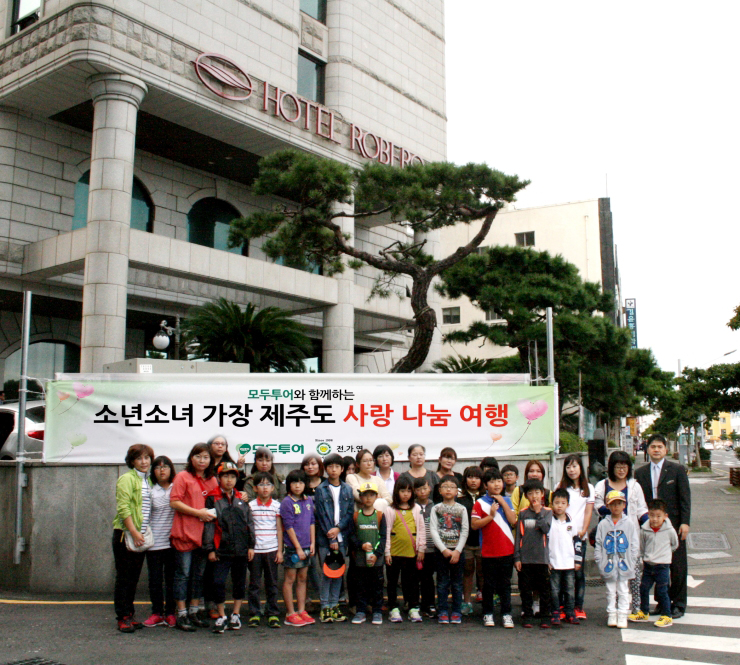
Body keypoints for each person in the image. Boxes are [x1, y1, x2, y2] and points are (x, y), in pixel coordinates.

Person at [635, 434, 691, 619]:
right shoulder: (640, 473)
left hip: (673, 526)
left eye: (660, 447)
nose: (656, 450)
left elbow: (685, 498)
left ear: (665, 450)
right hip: (651, 528)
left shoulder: (677, 470)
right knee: (657, 566)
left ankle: (679, 604)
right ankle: (662, 603)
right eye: (653, 447)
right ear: (647, 449)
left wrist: (685, 522)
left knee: (678, 566)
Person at [170, 443, 218, 631]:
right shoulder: (183, 477)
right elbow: (174, 502)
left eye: (206, 457)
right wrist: (198, 513)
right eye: (198, 456)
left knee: (199, 575)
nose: (202, 460)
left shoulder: (212, 480)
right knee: (183, 575)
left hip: (204, 536)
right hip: (184, 533)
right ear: (191, 458)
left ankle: (194, 611)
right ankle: (181, 614)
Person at [202, 461, 255, 634]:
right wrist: (210, 548)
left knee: (239, 582)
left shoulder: (242, 498)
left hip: (241, 549)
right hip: (221, 550)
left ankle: (236, 614)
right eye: (225, 476)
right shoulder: (212, 498)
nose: (229, 480)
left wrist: (251, 545)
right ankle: (221, 615)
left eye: (232, 476)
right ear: (219, 478)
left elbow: (249, 522)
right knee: (218, 582)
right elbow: (209, 525)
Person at [595, 451, 649, 615]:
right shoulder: (602, 485)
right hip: (610, 537)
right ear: (611, 467)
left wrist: (651, 524)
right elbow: (597, 507)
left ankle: (636, 608)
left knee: (634, 573)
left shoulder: (634, 486)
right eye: (618, 466)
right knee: (613, 577)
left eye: (624, 467)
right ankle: (616, 609)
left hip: (630, 536)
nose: (621, 470)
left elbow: (641, 509)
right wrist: (613, 511)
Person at [112, 443, 154, 633]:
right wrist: (135, 532)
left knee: (133, 578)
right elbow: (123, 508)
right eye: (139, 458)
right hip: (126, 535)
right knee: (124, 577)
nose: (144, 462)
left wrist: (141, 533)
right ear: (132, 461)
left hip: (140, 535)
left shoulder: (148, 480)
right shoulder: (126, 479)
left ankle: (130, 614)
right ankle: (122, 617)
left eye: (147, 458)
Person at [471, 468, 517, 628]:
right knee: (488, 585)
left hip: (507, 549)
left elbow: (513, 520)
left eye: (498, 481)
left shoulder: (507, 500)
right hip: (488, 551)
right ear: (485, 485)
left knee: (505, 584)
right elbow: (474, 525)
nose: (496, 484)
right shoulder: (480, 503)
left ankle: (506, 614)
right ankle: (488, 613)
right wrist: (490, 516)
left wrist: (503, 502)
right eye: (492, 481)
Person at [314, 453, 354, 623]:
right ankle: (325, 607)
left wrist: (338, 529)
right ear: (325, 469)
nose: (333, 470)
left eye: (337, 466)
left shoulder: (347, 489)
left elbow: (349, 513)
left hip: (342, 536)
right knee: (327, 573)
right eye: (330, 466)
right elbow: (321, 515)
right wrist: (332, 539)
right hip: (326, 539)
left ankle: (334, 604)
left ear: (342, 469)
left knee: (338, 573)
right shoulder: (320, 489)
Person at [629, 498, 679, 628]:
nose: (655, 519)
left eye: (658, 516)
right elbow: (642, 546)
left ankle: (667, 615)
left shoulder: (669, 530)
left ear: (665, 516)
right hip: (648, 565)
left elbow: (675, 544)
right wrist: (643, 557)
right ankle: (644, 612)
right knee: (643, 588)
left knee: (662, 591)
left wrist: (665, 555)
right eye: (651, 515)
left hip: (662, 565)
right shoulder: (644, 530)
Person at [555, 454, 594, 620]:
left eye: (574, 466)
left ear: (581, 468)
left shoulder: (588, 489)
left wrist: (583, 530)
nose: (571, 470)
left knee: (578, 573)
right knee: (561, 573)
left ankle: (578, 606)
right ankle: (562, 606)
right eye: (568, 467)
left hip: (578, 538)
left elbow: (588, 511)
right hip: (562, 538)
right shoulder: (560, 487)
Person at [594, 489, 639, 629]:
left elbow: (634, 543)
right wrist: (600, 561)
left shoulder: (629, 523)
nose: (616, 507)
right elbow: (599, 544)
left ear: (624, 505)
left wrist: (632, 561)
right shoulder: (603, 524)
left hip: (624, 564)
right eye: (613, 504)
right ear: (608, 506)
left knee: (623, 590)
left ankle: (623, 614)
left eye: (619, 503)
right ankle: (612, 613)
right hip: (608, 564)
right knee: (610, 590)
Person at [383, 475, 426, 623]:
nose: (406, 494)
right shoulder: (390, 510)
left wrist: (421, 548)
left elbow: (421, 529)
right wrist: (387, 552)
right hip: (394, 552)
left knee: (411, 581)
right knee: (392, 581)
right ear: (396, 492)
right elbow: (386, 531)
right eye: (402, 491)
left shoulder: (417, 508)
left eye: (408, 491)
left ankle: (413, 606)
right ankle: (393, 607)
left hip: (411, 552)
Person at [143, 455, 177, 628]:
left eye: (165, 467)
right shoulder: (150, 490)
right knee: (155, 580)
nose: (161, 470)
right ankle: (156, 612)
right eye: (157, 467)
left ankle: (170, 613)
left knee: (172, 580)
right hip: (154, 542)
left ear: (171, 469)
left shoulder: (177, 488)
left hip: (173, 542)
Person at [430, 476, 469, 625]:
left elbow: (465, 530)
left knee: (457, 584)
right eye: (445, 486)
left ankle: (457, 611)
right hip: (441, 552)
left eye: (452, 487)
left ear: (457, 491)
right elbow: (433, 530)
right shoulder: (436, 508)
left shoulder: (462, 509)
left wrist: (457, 550)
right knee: (442, 583)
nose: (448, 489)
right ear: (440, 490)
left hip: (458, 551)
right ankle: (443, 611)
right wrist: (443, 549)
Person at [514, 479, 553, 629]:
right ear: (526, 496)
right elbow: (518, 536)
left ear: (542, 494)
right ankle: (527, 615)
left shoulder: (547, 512)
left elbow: (546, 529)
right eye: (530, 493)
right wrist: (517, 557)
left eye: (537, 492)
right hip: (525, 558)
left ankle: (545, 616)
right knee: (525, 589)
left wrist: (538, 513)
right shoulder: (523, 513)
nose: (534, 496)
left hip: (541, 558)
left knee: (544, 590)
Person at [280, 469, 316, 627]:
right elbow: (288, 526)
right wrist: (298, 548)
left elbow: (312, 522)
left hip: (307, 546)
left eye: (301, 482)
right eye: (294, 482)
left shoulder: (308, 501)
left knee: (303, 578)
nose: (297, 485)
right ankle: (290, 613)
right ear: (289, 485)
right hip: (292, 548)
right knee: (290, 579)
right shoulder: (287, 502)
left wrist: (312, 543)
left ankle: (301, 610)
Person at [247, 471, 283, 629]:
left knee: (272, 583)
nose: (265, 488)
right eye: (261, 485)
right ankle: (255, 612)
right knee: (254, 584)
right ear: (255, 488)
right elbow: (248, 529)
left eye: (268, 484)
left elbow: (279, 529)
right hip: (255, 551)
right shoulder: (250, 506)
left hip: (272, 549)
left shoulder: (277, 506)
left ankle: (272, 612)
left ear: (273, 487)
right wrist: (250, 547)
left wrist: (280, 551)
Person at [350, 482, 387, 626]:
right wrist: (361, 545)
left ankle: (377, 611)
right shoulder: (356, 516)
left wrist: (377, 554)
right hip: (360, 558)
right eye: (365, 495)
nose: (368, 498)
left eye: (371, 495)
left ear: (376, 497)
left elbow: (383, 537)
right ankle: (361, 610)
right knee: (361, 586)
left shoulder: (380, 515)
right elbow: (352, 536)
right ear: (360, 497)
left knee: (377, 586)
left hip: (376, 559)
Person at [547, 488, 583, 626]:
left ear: (568, 504)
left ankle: (570, 612)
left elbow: (577, 540)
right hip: (554, 562)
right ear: (552, 504)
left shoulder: (571, 521)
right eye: (557, 503)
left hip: (569, 563)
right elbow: (544, 542)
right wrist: (546, 561)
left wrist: (577, 559)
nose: (559, 506)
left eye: (563, 503)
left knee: (569, 590)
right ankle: (555, 612)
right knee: (554, 590)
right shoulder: (549, 520)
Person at [458, 465, 484, 615]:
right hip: (466, 543)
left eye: (477, 477)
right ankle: (467, 601)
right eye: (470, 477)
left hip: (482, 542)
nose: (473, 480)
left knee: (482, 572)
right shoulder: (459, 499)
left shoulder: (486, 498)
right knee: (467, 572)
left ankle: (486, 601)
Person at [414, 476, 437, 617]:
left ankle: (430, 604)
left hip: (431, 548)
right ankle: (414, 603)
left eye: (425, 488)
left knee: (428, 578)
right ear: (414, 491)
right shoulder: (412, 507)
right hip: (415, 549)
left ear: (430, 489)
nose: (422, 492)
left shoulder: (435, 507)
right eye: (419, 489)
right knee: (415, 578)